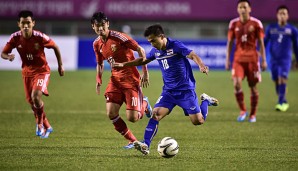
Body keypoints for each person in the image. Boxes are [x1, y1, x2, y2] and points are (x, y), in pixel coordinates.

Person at [113, 24, 219, 155]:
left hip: (185, 91)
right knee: (156, 114)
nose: (152, 44)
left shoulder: (176, 46)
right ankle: (146, 144)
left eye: (153, 40)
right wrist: (124, 64)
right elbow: (143, 60)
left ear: (162, 37)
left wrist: (201, 65)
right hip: (168, 92)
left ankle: (206, 101)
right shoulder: (156, 51)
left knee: (198, 121)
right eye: (149, 42)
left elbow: (192, 55)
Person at [90, 12, 152, 149]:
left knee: (133, 118)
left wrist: (145, 72)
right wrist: (98, 79)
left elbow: (141, 50)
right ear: (93, 27)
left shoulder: (119, 37)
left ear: (107, 24)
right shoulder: (96, 44)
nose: (100, 29)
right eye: (97, 26)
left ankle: (145, 103)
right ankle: (133, 140)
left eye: (102, 25)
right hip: (115, 80)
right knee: (111, 113)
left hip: (131, 79)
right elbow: (100, 63)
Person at [1, 10, 64, 138]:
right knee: (32, 102)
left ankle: (39, 123)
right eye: (23, 23)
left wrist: (60, 65)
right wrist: (8, 57)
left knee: (35, 96)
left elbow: (55, 47)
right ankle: (47, 126)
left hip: (42, 71)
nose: (25, 26)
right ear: (18, 24)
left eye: (28, 23)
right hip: (26, 73)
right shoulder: (15, 38)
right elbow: (3, 53)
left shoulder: (40, 37)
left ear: (33, 23)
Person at [225, 0, 267, 123]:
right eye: (240, 7)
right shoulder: (233, 24)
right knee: (236, 84)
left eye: (245, 7)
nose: (242, 9)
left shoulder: (256, 23)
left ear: (250, 9)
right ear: (237, 9)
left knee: (253, 87)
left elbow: (261, 43)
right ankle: (243, 111)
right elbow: (230, 43)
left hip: (253, 60)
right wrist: (227, 59)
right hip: (238, 59)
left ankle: (253, 114)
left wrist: (264, 60)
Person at [264, 5, 298, 112]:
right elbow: (264, 43)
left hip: (285, 59)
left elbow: (296, 46)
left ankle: (280, 103)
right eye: (280, 13)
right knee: (276, 80)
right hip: (273, 59)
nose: (282, 16)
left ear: (287, 16)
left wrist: (297, 59)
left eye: (284, 14)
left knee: (282, 79)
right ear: (277, 15)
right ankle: (284, 100)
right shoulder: (271, 28)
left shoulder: (292, 30)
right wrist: (261, 57)